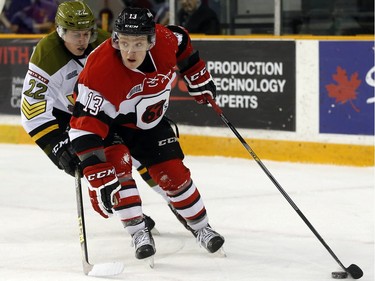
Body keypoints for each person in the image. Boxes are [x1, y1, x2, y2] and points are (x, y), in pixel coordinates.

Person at [68, 7, 225, 261]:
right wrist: (94, 166)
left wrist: (196, 74)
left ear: (151, 41)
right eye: (124, 42)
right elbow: (84, 125)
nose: (130, 51)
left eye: (138, 43)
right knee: (116, 172)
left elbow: (182, 40)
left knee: (174, 175)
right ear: (115, 39)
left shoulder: (164, 40)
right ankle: (138, 231)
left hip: (149, 123)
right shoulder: (100, 71)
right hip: (110, 127)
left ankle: (201, 227)